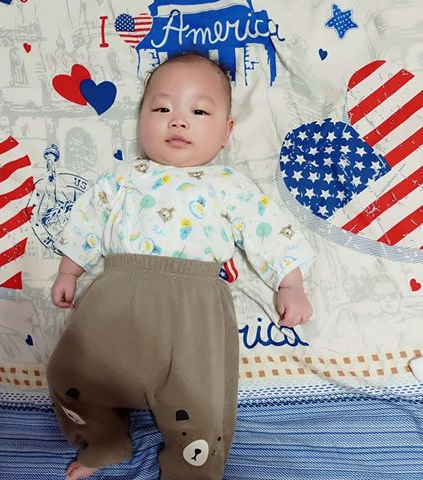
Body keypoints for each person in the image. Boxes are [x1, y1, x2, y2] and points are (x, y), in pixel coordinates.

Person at [46, 53, 315, 480]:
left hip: (194, 307)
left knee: (202, 406)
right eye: (161, 108)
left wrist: (290, 283)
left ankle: (191, 472)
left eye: (199, 111)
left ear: (226, 132)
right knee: (68, 376)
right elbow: (87, 221)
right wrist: (69, 270)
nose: (178, 121)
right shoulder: (122, 179)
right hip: (116, 299)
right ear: (140, 120)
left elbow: (268, 230)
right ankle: (104, 441)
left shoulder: (230, 185)